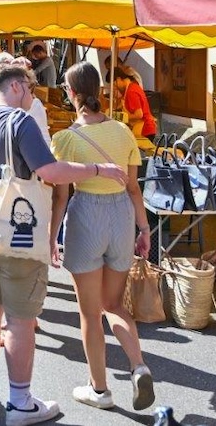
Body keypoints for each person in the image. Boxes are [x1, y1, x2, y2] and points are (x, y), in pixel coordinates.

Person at [0, 61, 129, 424]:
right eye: (32, 89)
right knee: (21, 320)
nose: (33, 97)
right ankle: (21, 402)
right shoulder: (21, 122)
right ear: (19, 85)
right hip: (16, 234)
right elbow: (51, 172)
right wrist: (99, 170)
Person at [48, 63, 154, 411]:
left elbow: (60, 196)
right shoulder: (123, 132)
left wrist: (51, 238)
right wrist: (143, 227)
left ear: (73, 94)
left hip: (86, 216)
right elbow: (135, 188)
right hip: (121, 213)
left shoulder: (64, 139)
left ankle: (100, 390)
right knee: (114, 305)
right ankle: (138, 365)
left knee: (90, 313)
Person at [117, 67, 157, 143]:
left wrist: (123, 118)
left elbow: (139, 114)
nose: (115, 87)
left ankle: (180, 153)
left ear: (119, 79)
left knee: (152, 152)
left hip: (145, 129)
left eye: (115, 84)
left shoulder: (131, 91)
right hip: (146, 128)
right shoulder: (132, 87)